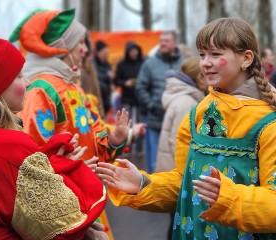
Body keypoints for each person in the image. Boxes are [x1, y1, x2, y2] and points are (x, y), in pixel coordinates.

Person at [96, 18, 276, 239]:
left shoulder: (269, 122)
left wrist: (229, 199)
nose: (205, 63)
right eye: (202, 55)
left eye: (216, 54)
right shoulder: (197, 113)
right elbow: (186, 185)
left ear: (246, 58)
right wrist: (143, 184)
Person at [0, 25, 108, 240]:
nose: (28, 82)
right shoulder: (8, 145)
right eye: (19, 77)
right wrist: (70, 175)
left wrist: (48, 167)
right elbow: (62, 227)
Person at [9, 9, 130, 239]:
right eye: (80, 43)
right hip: (65, 207)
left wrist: (114, 140)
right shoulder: (41, 90)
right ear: (61, 47)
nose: (85, 49)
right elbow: (32, 161)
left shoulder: (73, 87)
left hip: (85, 198)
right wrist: (75, 168)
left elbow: (94, 141)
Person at [136, 30, 184, 173]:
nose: (162, 43)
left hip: (178, 120)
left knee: (177, 158)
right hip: (156, 119)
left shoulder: (183, 64)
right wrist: (151, 105)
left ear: (175, 43)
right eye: (161, 40)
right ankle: (153, 190)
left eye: (166, 41)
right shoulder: (149, 64)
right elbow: (140, 87)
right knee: (155, 160)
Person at [155, 56, 208, 173]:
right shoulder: (186, 103)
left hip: (170, 167)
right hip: (176, 171)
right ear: (200, 78)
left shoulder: (184, 98)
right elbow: (178, 143)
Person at [93, 40, 114, 115]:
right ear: (98, 53)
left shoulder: (107, 64)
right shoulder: (93, 65)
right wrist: (107, 76)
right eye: (105, 53)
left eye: (107, 53)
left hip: (106, 97)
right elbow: (96, 79)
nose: (106, 55)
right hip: (98, 97)